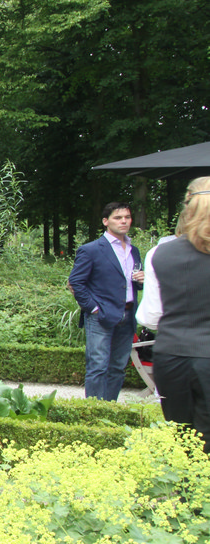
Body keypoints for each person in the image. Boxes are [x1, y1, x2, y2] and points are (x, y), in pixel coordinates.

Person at [140, 178, 210, 453]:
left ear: (187, 206)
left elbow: (150, 316)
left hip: (171, 357)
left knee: (183, 442)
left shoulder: (159, 253)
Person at [68, 202, 144, 401]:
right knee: (98, 367)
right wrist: (93, 308)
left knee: (118, 367)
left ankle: (110, 409)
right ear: (105, 221)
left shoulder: (134, 251)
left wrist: (141, 280)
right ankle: (94, 412)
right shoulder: (91, 250)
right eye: (118, 218)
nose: (123, 221)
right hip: (101, 316)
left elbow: (128, 283)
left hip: (128, 314)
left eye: (127, 217)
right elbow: (76, 282)